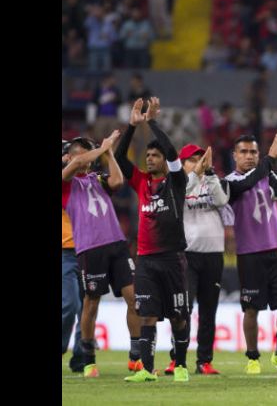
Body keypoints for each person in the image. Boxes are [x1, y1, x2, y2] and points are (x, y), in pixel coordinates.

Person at [117, 98, 192, 383]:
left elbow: (172, 151)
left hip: (173, 259)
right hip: (146, 260)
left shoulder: (177, 182)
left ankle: (180, 365)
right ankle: (147, 370)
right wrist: (132, 126)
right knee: (146, 316)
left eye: (155, 156)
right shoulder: (141, 182)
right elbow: (120, 158)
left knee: (178, 317)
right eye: (148, 155)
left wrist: (151, 122)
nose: (149, 159)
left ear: (165, 162)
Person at [62, 132, 142, 378]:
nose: (86, 159)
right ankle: (88, 361)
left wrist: (108, 153)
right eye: (81, 153)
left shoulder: (97, 178)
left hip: (117, 244)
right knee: (91, 302)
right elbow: (77, 163)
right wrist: (102, 147)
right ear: (68, 157)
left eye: (89, 153)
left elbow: (117, 182)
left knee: (134, 299)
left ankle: (136, 358)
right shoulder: (66, 182)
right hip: (90, 248)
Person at [225, 134, 277, 375]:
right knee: (251, 309)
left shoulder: (267, 175)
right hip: (249, 254)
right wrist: (269, 159)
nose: (249, 156)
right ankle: (253, 357)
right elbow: (247, 183)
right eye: (244, 152)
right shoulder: (229, 182)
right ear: (235, 156)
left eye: (253, 152)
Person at [162, 145, 229, 375]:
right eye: (192, 160)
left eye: (201, 158)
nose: (198, 162)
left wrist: (208, 174)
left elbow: (221, 200)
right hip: (187, 256)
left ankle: (204, 361)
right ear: (182, 164)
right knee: (183, 309)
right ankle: (177, 358)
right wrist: (194, 174)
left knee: (209, 311)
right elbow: (178, 196)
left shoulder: (215, 181)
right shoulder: (175, 185)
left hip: (214, 255)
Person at [61, 142, 85, 373]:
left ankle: (81, 355)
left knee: (87, 308)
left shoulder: (84, 182)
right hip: (65, 252)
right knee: (70, 304)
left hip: (87, 250)